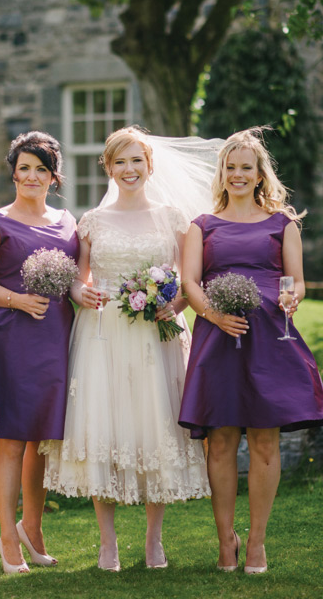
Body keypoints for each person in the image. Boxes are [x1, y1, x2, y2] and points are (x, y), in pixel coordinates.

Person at [40, 126, 213, 571]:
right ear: (109, 168)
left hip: (158, 335)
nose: (129, 169)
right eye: (120, 162)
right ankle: (108, 543)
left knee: (155, 424)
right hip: (104, 334)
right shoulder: (92, 222)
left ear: (149, 165)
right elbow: (81, 278)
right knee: (105, 424)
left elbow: (188, 278)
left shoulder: (173, 218)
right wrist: (80, 293)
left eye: (137, 160)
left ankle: (154, 540)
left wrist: (171, 304)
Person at [178, 127, 323, 575]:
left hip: (269, 334)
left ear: (260, 173)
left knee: (265, 440)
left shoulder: (282, 223)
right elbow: (190, 282)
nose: (238, 175)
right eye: (230, 167)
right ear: (222, 173)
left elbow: (297, 280)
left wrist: (293, 297)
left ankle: (257, 543)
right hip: (218, 336)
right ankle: (225, 540)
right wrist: (212, 315)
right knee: (222, 440)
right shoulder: (201, 226)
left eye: (246, 167)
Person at [0, 131, 79, 574]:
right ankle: (6, 539)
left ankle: (32, 528)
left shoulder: (69, 221)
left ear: (53, 177)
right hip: (13, 336)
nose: (31, 176)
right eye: (24, 168)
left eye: (41, 169)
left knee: (43, 442)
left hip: (57, 337)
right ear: (14, 172)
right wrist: (17, 299)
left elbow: (79, 275)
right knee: (13, 440)